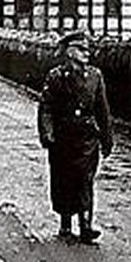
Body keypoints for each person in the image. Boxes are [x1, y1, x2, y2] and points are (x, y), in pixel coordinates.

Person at [38, 31, 113, 244]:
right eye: (81, 50)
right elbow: (46, 108)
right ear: (70, 52)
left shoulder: (95, 76)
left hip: (87, 136)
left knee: (86, 179)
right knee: (63, 178)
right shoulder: (56, 76)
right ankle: (65, 222)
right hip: (63, 136)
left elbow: (103, 110)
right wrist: (47, 133)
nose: (86, 53)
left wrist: (107, 138)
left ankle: (86, 225)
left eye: (87, 50)